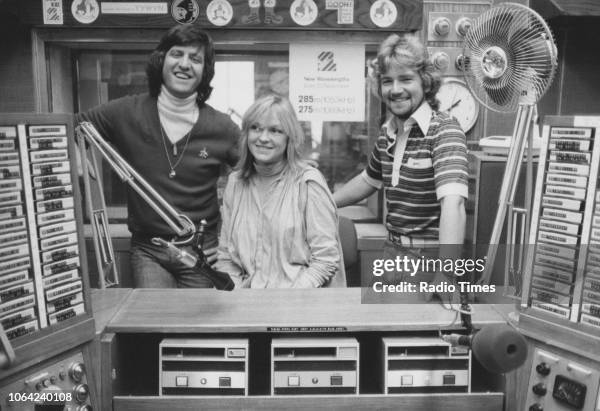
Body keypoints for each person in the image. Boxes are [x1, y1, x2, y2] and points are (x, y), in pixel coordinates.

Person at [78, 24, 241, 288]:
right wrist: (79, 162)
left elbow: (257, 176)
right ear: (161, 60)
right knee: (154, 325)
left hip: (202, 251)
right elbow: (69, 129)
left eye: (195, 59)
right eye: (177, 54)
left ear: (205, 71)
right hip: (149, 250)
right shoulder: (125, 113)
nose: (185, 64)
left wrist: (230, 242)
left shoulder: (222, 127)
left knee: (197, 329)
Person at [333, 34, 468, 288]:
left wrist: (446, 274)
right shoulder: (388, 132)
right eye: (387, 81)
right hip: (392, 254)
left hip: (429, 261)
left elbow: (454, 204)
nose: (395, 90)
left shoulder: (444, 130)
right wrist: (324, 202)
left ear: (425, 82)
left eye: (406, 79)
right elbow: (368, 180)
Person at [215, 95, 346, 288]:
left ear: (289, 138)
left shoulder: (308, 183)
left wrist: (285, 302)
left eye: (275, 130)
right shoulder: (235, 183)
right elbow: (226, 258)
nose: (263, 138)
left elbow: (325, 261)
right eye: (255, 128)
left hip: (299, 303)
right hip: (246, 302)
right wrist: (234, 295)